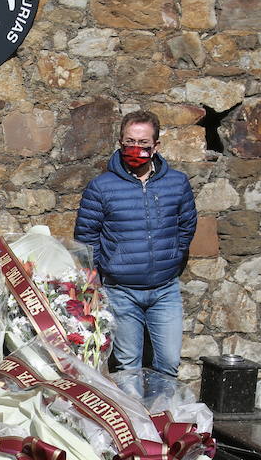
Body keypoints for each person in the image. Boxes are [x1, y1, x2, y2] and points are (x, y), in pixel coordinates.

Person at [74, 109, 197, 378]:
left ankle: (162, 418)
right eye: (130, 141)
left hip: (165, 290)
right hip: (121, 292)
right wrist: (96, 280)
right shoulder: (101, 187)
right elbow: (86, 239)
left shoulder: (176, 183)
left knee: (168, 362)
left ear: (156, 146)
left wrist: (174, 256)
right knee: (127, 366)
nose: (136, 148)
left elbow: (187, 226)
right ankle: (135, 420)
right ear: (120, 142)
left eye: (143, 143)